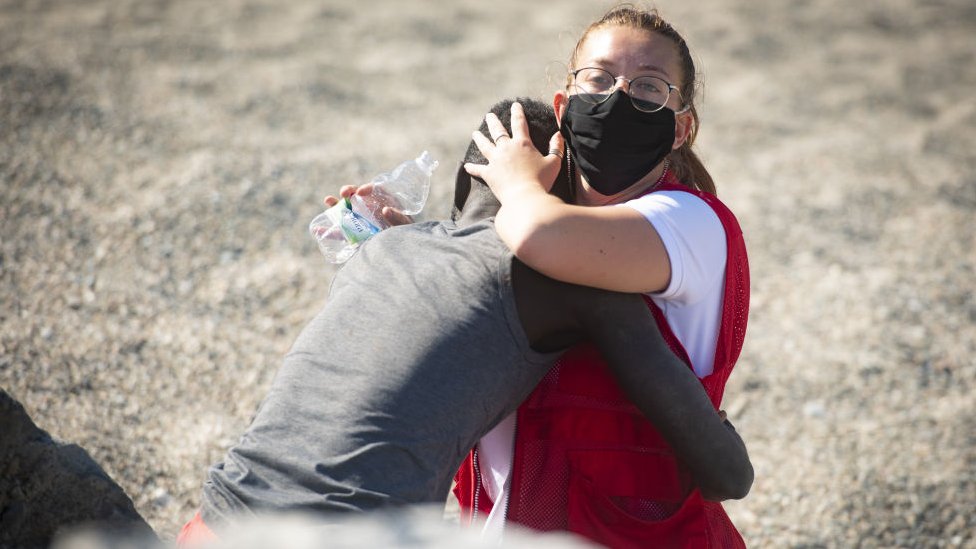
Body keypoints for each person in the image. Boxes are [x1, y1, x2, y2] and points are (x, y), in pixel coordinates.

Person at [176, 98, 752, 545]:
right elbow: (729, 475)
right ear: (564, 207)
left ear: (460, 189)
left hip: (216, 518)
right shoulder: (572, 285)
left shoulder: (383, 250)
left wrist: (404, 235)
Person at [456, 6, 752, 548]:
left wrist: (517, 184)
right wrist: (393, 239)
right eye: (598, 78)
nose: (618, 97)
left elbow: (544, 238)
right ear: (565, 106)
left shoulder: (693, 224)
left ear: (681, 127)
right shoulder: (539, 214)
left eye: (648, 88)